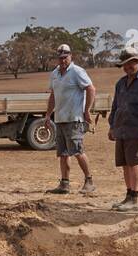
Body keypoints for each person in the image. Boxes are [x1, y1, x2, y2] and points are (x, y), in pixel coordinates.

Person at [107, 50, 138, 212]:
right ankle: (128, 195)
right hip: (121, 129)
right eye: (125, 64)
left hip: (137, 130)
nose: (128, 66)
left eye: (131, 63)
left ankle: (134, 197)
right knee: (124, 164)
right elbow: (115, 107)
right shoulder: (120, 83)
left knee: (133, 163)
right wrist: (112, 126)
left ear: (137, 62)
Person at [44, 43, 97, 196]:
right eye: (60, 58)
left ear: (70, 56)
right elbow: (53, 95)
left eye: (65, 57)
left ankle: (89, 181)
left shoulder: (77, 71)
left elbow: (91, 88)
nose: (63, 60)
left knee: (78, 150)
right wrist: (48, 115)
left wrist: (86, 110)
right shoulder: (54, 73)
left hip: (74, 118)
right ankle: (64, 184)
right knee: (63, 153)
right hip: (60, 118)